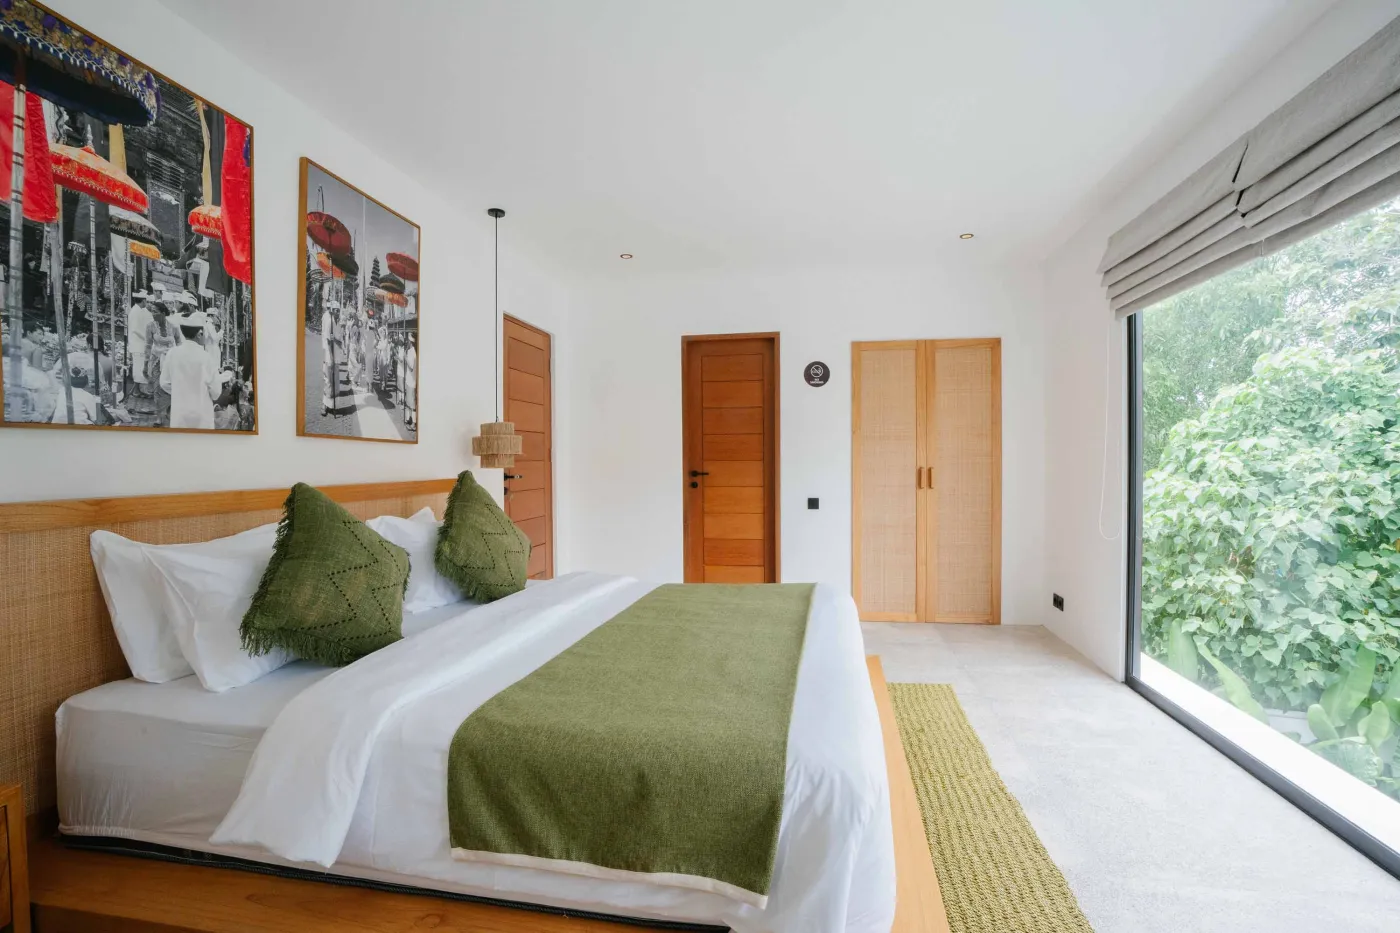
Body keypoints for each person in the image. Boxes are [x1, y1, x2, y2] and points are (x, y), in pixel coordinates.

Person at [161, 311, 229, 430]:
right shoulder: (206, 357)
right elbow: (216, 392)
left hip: (180, 412)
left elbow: (164, 383)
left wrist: (180, 391)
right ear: (199, 334)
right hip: (201, 412)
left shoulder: (172, 353)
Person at [145, 301, 181, 427]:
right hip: (156, 360)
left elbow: (179, 343)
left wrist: (179, 358)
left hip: (170, 361)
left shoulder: (174, 327)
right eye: (152, 311)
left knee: (170, 387)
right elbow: (148, 345)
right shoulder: (150, 326)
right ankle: (159, 416)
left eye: (155, 312)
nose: (153, 314)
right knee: (157, 388)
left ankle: (169, 410)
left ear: (163, 313)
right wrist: (145, 364)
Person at [127, 290, 154, 401]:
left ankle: (137, 390)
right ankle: (137, 391)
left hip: (139, 343)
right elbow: (136, 329)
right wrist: (147, 338)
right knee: (139, 369)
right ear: (143, 301)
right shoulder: (135, 311)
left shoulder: (138, 310)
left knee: (139, 368)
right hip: (137, 343)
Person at [321, 298, 341, 416]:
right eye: (336, 310)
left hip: (336, 356)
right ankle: (325, 405)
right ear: (332, 310)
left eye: (338, 310)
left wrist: (337, 341)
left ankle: (333, 405)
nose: (337, 312)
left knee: (335, 382)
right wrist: (332, 358)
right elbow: (328, 341)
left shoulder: (338, 323)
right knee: (328, 381)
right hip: (330, 356)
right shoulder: (329, 321)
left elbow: (339, 341)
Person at [403, 332, 417, 430]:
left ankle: (414, 424)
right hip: (409, 379)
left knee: (412, 403)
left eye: (408, 340)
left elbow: (411, 367)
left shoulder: (413, 352)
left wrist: (405, 358)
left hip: (412, 381)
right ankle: (409, 419)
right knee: (408, 401)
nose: (407, 342)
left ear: (410, 341)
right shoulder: (410, 351)